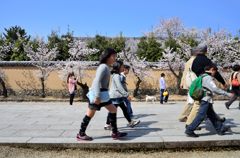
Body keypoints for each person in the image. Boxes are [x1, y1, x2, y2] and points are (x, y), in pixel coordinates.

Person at [77, 48, 127, 141]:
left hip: (103, 95)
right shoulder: (103, 67)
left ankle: (115, 132)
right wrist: (97, 96)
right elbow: (96, 81)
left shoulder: (106, 67)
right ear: (106, 56)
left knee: (113, 109)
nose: (114, 59)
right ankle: (81, 134)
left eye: (115, 57)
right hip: (99, 94)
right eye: (113, 56)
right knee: (90, 114)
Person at [185, 63, 234, 137]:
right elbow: (214, 89)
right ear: (212, 69)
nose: (215, 73)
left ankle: (220, 128)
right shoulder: (207, 77)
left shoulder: (202, 76)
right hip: (205, 99)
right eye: (215, 71)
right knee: (201, 116)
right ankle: (189, 130)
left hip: (205, 99)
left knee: (212, 115)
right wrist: (227, 94)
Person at [186, 43, 227, 127]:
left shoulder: (194, 60)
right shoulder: (206, 60)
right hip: (204, 85)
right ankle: (189, 125)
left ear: (197, 50)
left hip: (197, 83)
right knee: (198, 104)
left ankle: (218, 120)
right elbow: (215, 72)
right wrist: (223, 82)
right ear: (206, 51)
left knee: (207, 104)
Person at [104, 61, 140, 130]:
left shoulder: (117, 75)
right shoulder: (117, 76)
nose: (123, 68)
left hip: (117, 96)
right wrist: (126, 95)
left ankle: (130, 122)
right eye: (122, 66)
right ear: (119, 67)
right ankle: (107, 125)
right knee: (113, 110)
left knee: (124, 109)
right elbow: (119, 87)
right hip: (115, 96)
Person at [179, 47, 197, 122]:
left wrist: (182, 82)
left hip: (189, 82)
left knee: (192, 100)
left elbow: (184, 73)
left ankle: (184, 115)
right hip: (193, 83)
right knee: (192, 100)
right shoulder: (194, 61)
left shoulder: (189, 61)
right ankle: (183, 115)